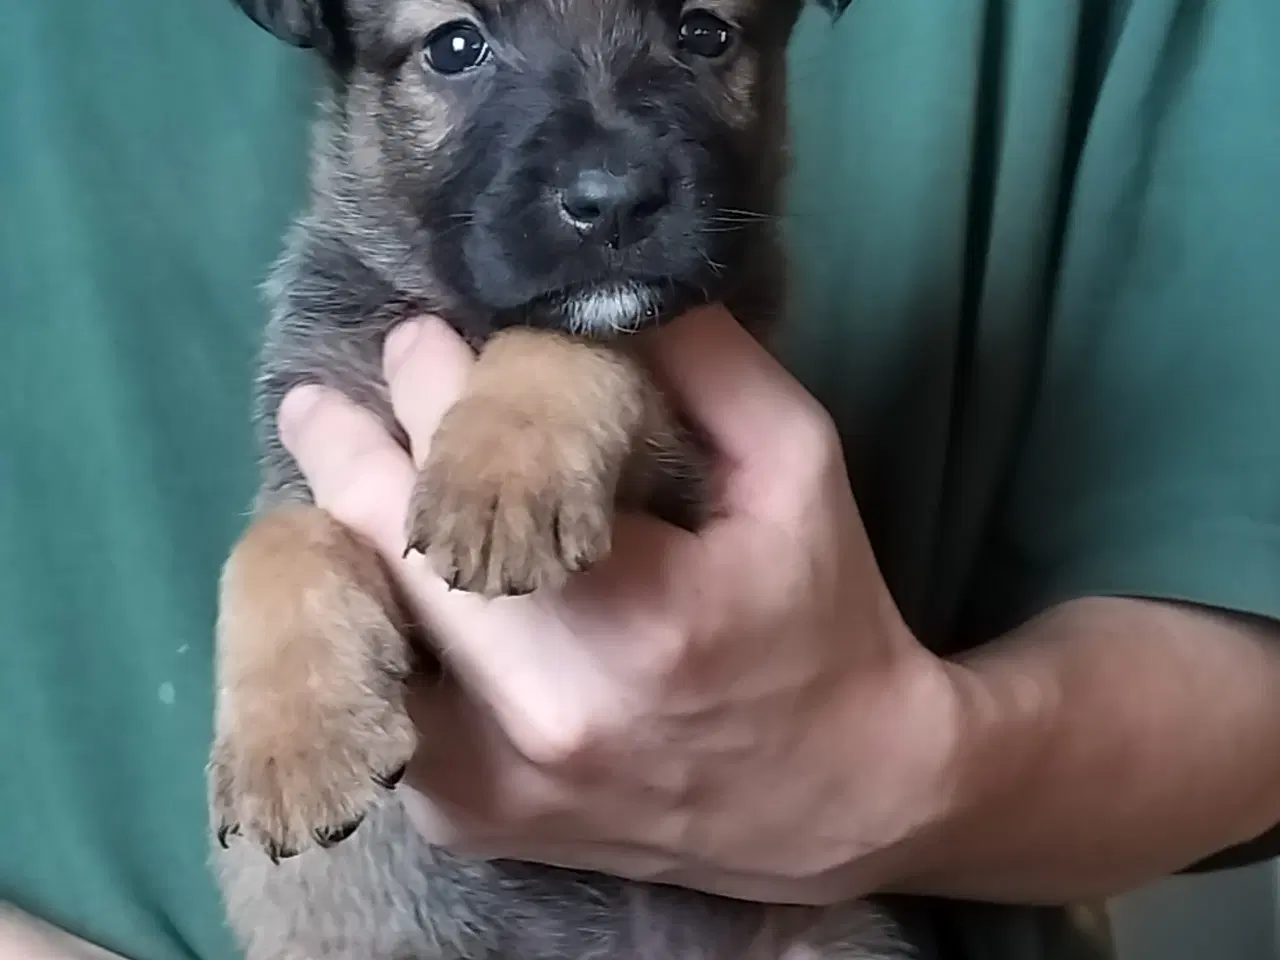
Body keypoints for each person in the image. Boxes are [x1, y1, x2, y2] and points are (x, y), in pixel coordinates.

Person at [2, 1, 1278, 959]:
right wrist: (288, 615)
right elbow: (323, 531)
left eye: (702, 32)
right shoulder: (340, 324)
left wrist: (896, 773)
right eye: (456, 47)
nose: (606, 166)